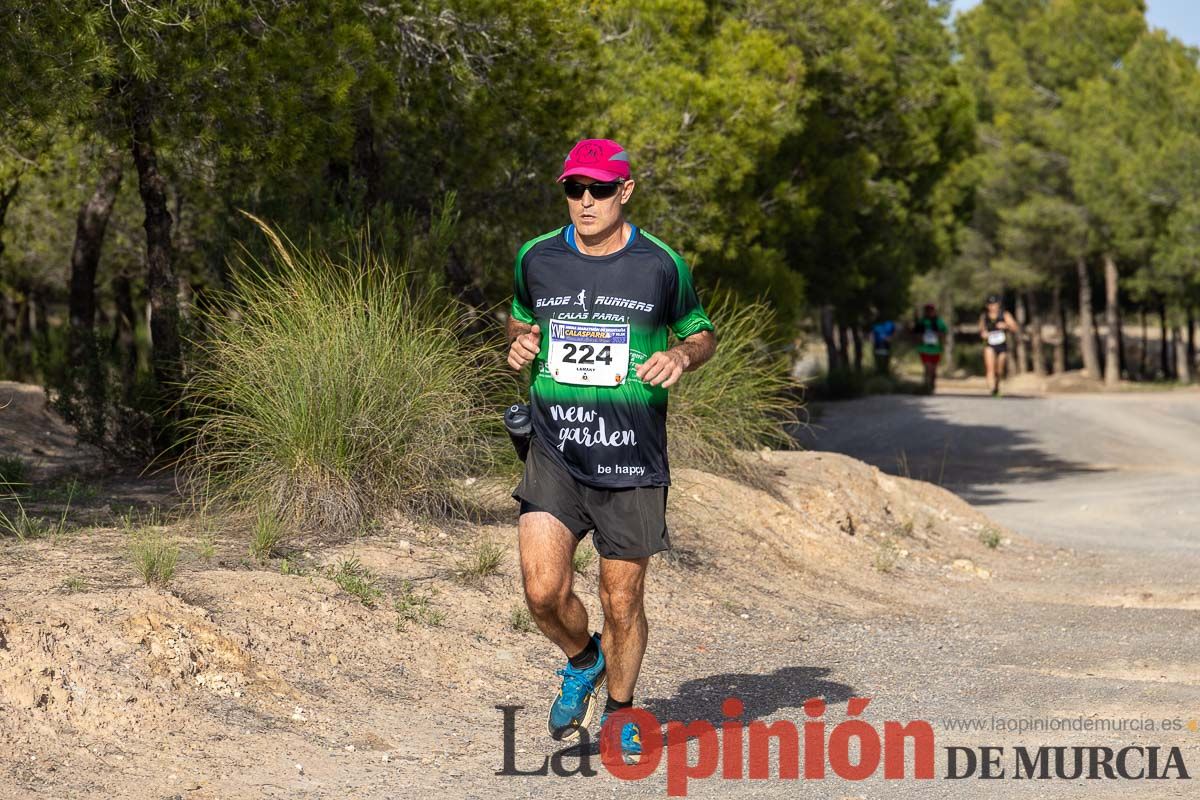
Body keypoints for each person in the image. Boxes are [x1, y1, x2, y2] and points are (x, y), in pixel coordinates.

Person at [505, 138, 717, 765]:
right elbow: (520, 318)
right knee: (543, 592)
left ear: (625, 191)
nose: (586, 201)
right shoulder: (537, 257)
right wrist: (518, 344)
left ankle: (622, 711)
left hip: (630, 457)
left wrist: (680, 355)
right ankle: (584, 660)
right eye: (575, 189)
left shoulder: (660, 265)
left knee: (621, 599)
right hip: (556, 447)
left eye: (599, 189)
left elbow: (700, 331)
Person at [979, 293, 1020, 396]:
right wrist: (983, 334)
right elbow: (981, 330)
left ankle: (997, 385)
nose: (992, 307)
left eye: (995, 304)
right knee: (990, 368)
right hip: (989, 344)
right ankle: (992, 389)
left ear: (998, 305)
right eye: (990, 305)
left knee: (999, 369)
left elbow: (1015, 328)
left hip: (1002, 345)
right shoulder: (984, 316)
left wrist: (1006, 326)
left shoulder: (1005, 315)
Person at [914, 303, 947, 393]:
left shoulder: (939, 322)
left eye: (931, 310)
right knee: (927, 367)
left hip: (936, 349)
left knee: (933, 369)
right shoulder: (921, 322)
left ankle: (932, 385)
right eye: (927, 310)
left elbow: (944, 333)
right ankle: (926, 386)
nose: (929, 312)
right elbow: (916, 334)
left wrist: (940, 338)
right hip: (924, 349)